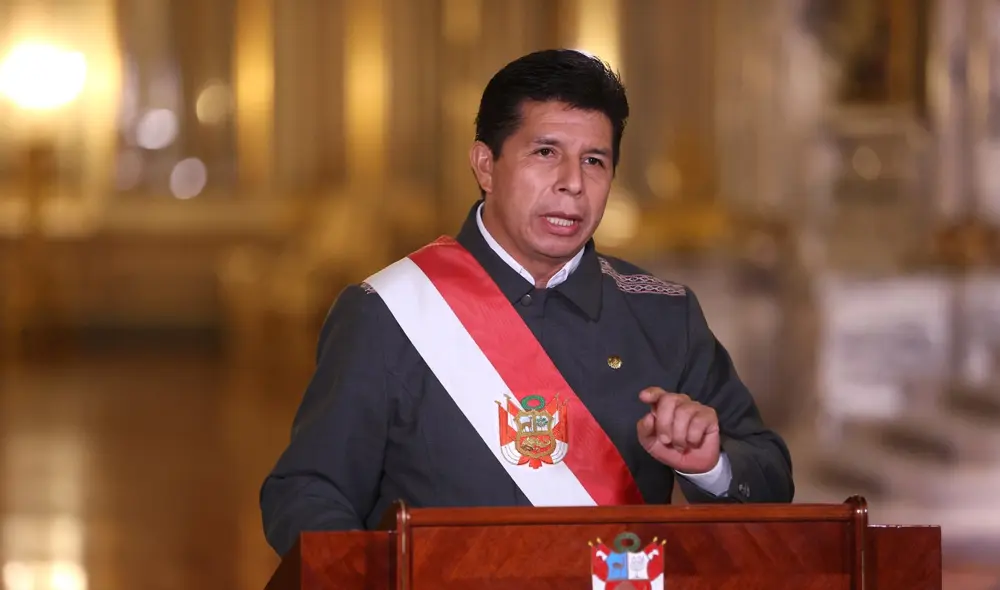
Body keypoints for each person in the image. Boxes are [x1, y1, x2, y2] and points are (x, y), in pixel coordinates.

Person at [260, 48, 794, 557]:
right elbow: (307, 491)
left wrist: (711, 465)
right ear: (485, 166)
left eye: (594, 161)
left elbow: (770, 476)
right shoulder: (389, 312)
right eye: (545, 153)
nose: (572, 184)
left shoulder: (664, 315)